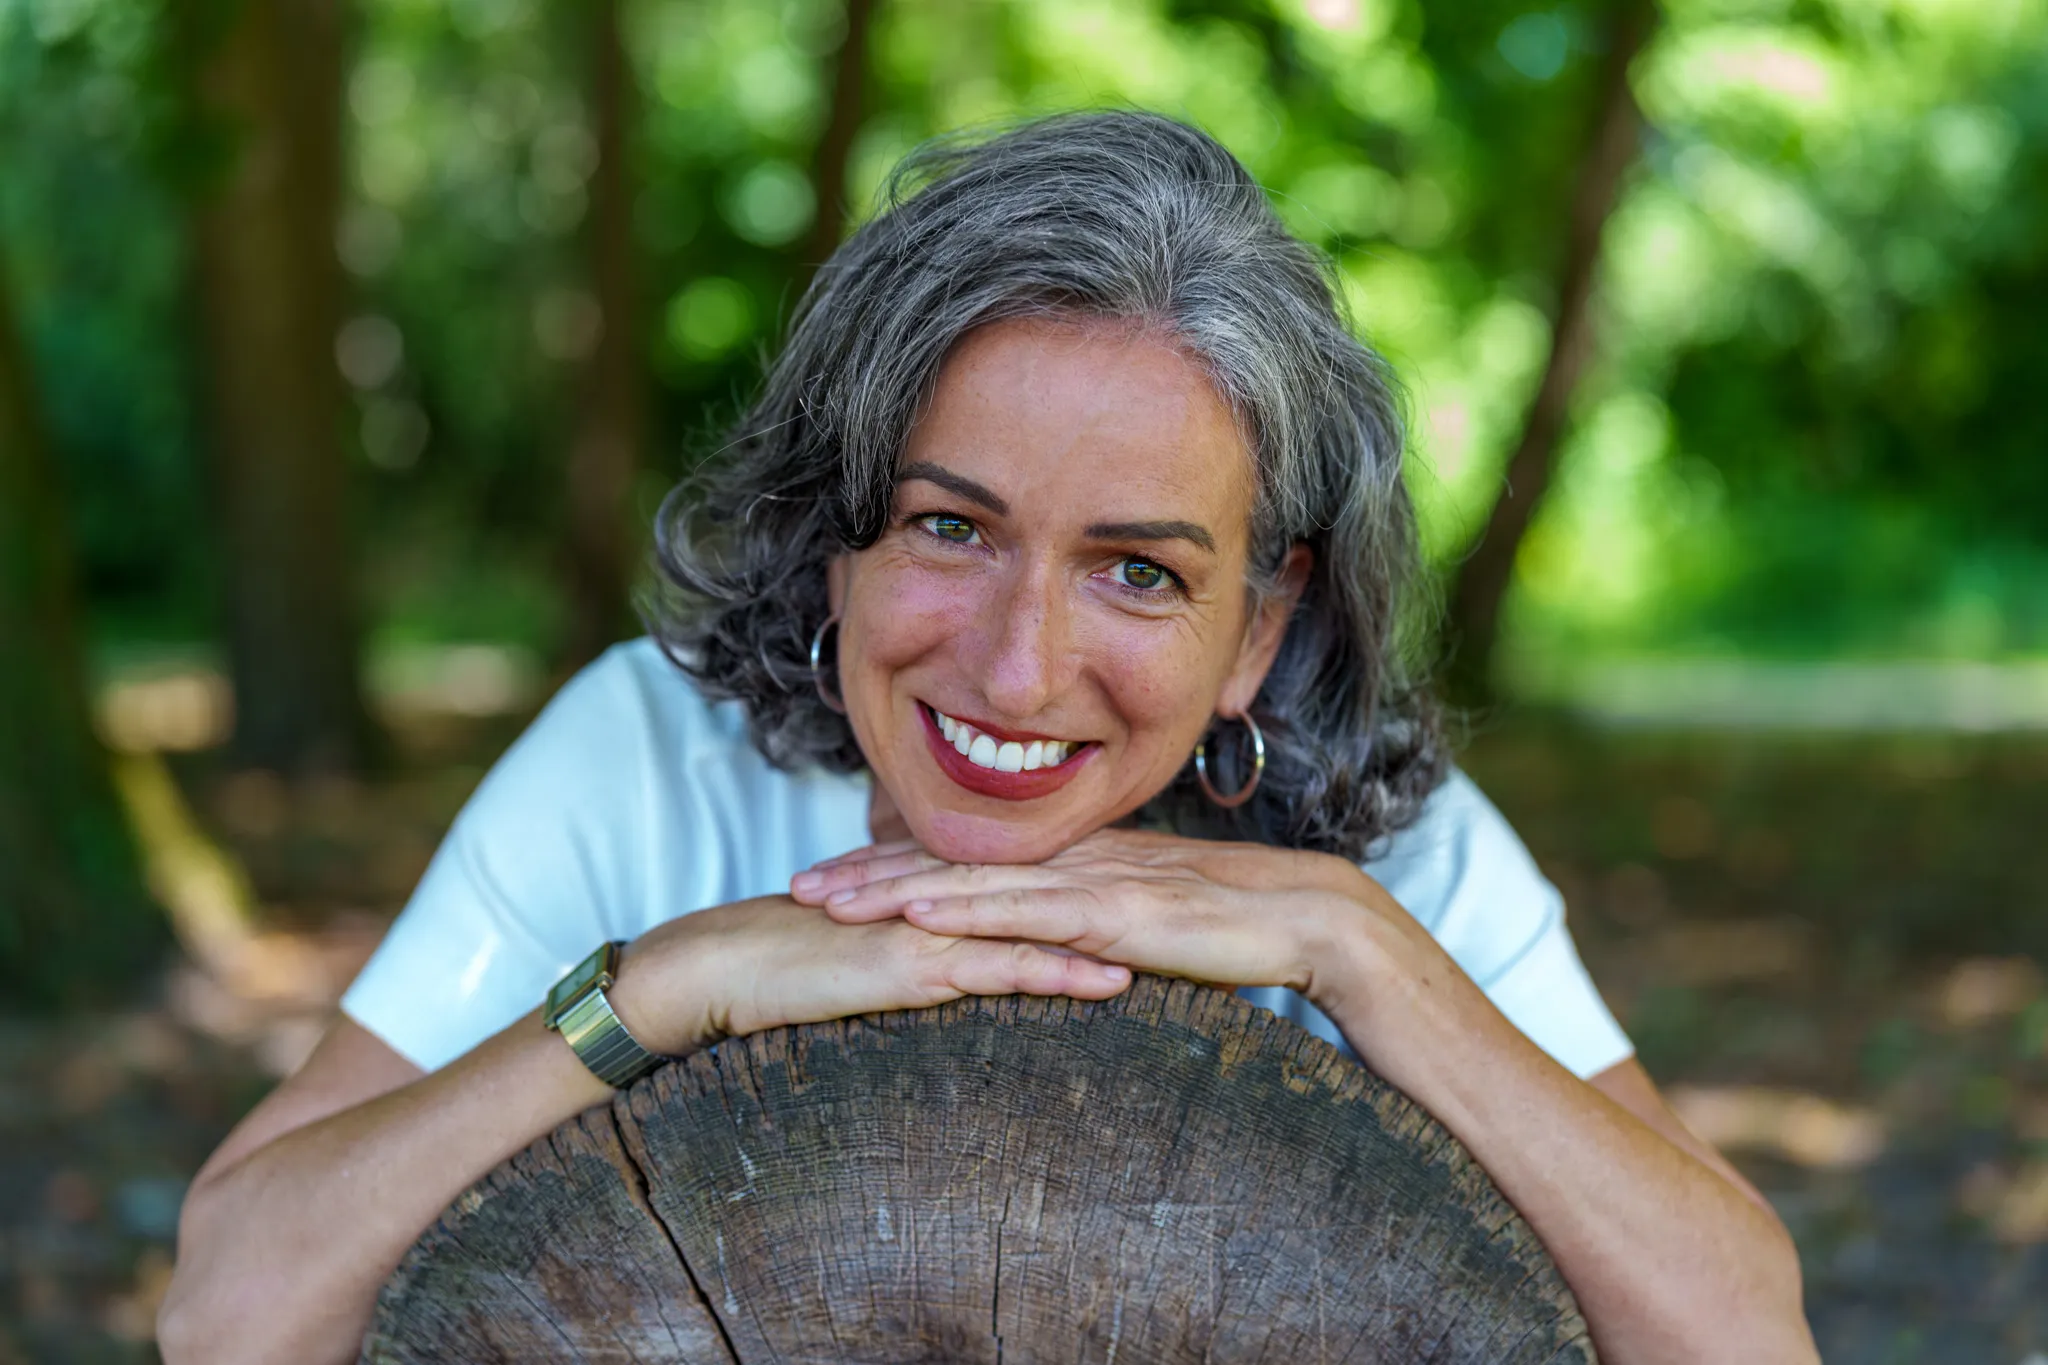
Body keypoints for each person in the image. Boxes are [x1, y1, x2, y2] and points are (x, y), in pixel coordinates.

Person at [159, 112, 1816, 1363]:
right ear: (836, 535)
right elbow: (226, 1317)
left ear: (1260, 627)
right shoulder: (649, 751)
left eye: (1138, 571)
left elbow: (1747, 1340)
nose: (1021, 669)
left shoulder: (1396, 847)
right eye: (951, 528)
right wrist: (654, 991)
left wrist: (1361, 947)